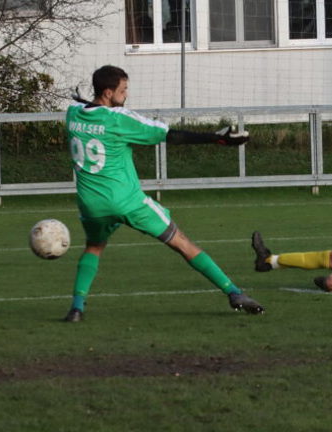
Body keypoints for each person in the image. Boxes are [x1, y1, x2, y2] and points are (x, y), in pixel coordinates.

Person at [62, 65, 263, 322]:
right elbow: (170, 135)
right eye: (123, 91)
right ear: (109, 92)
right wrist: (216, 138)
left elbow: (84, 108)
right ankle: (234, 293)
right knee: (182, 243)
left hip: (91, 204)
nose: (126, 95)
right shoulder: (118, 119)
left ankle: (77, 308)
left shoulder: (73, 114)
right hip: (128, 202)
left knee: (94, 247)